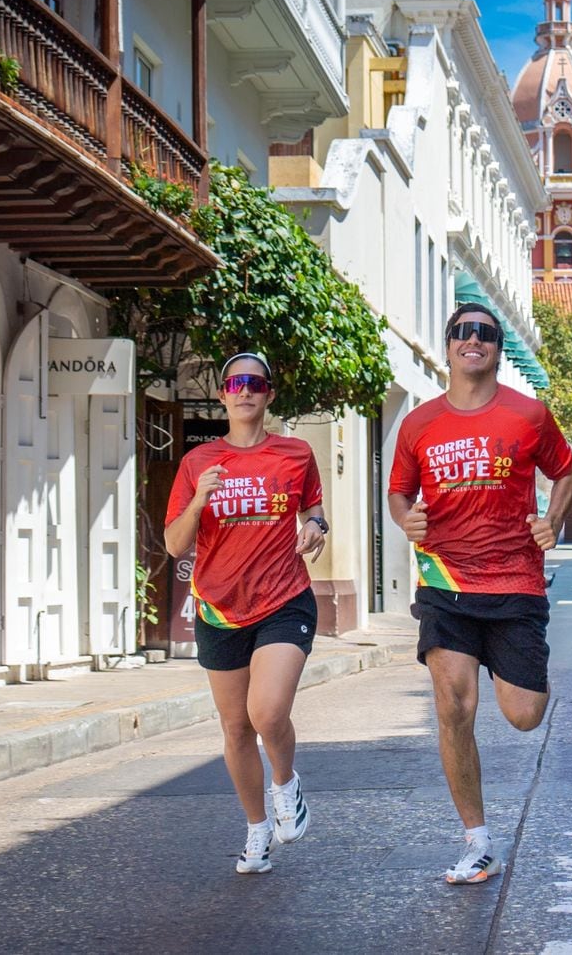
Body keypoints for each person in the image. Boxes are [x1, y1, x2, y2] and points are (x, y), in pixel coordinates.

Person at [388, 304, 572, 885]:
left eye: (486, 334)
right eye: (462, 333)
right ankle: (477, 841)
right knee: (454, 707)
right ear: (448, 346)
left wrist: (555, 517)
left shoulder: (529, 415)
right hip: (445, 584)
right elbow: (399, 492)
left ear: (497, 348)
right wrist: (406, 521)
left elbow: (566, 471)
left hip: (516, 581)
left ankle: (512, 666)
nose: (474, 341)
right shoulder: (419, 423)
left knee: (524, 715)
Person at [165, 352, 329, 875]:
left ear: (269, 393)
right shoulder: (198, 463)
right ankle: (257, 828)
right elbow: (174, 544)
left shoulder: (296, 453)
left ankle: (286, 784)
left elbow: (313, 511)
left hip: (283, 599)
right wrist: (198, 501)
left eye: (255, 383)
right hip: (219, 607)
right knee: (235, 728)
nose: (244, 390)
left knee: (267, 712)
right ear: (223, 395)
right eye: (235, 382)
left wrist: (317, 529)